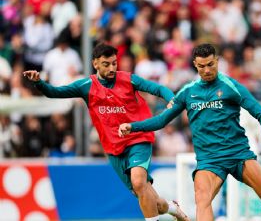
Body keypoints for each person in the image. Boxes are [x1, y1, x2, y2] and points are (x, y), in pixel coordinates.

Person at [119, 43, 261, 221]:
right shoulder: (188, 92)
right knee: (202, 201)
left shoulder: (230, 86)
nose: (207, 70)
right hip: (209, 160)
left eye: (210, 64)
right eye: (201, 66)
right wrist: (134, 126)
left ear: (217, 61)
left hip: (238, 154)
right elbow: (162, 120)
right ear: (195, 65)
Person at [23, 43, 189, 221]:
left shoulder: (128, 79)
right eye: (106, 64)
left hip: (137, 138)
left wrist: (171, 99)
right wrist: (39, 83)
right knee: (147, 197)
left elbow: (157, 88)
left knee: (139, 182)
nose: (112, 68)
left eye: (114, 63)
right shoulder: (86, 86)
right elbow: (55, 92)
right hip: (113, 147)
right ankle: (172, 207)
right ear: (95, 64)